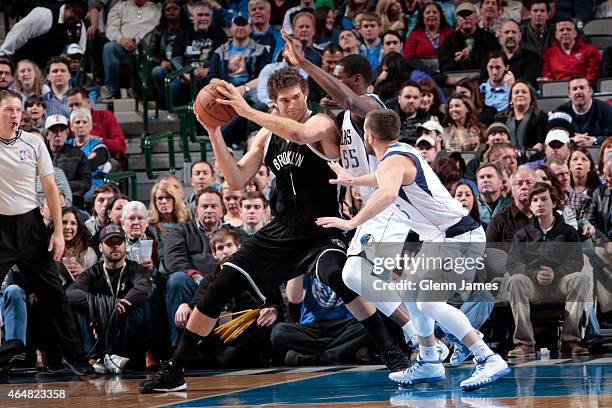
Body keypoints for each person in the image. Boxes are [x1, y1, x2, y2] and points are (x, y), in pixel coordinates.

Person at [139, 67, 409, 393]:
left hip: (321, 228)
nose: (293, 104)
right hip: (279, 231)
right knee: (218, 287)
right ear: (275, 103)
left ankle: (391, 350)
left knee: (339, 274)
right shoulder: (266, 137)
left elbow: (299, 134)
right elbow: (236, 179)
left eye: (297, 97)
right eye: (285, 100)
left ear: (305, 95)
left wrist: (245, 110)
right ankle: (175, 369)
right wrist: (214, 132)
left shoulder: (321, 122)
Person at [315, 109, 510, 390]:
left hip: (459, 237)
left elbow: (388, 192)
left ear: (368, 137)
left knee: (430, 302)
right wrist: (353, 180)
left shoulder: (393, 162)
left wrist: (352, 222)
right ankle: (429, 359)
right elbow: (384, 178)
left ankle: (487, 357)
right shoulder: (401, 152)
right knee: (409, 288)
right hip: (444, 237)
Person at [0, 90, 93, 376]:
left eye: (18, 109)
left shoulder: (34, 141)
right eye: (8, 109)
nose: (15, 114)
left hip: (31, 226)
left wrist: (58, 232)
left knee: (54, 293)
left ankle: (75, 357)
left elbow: (51, 188)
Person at [506, 182, 590, 357]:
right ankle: (525, 342)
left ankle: (570, 340)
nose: (539, 203)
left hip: (560, 284)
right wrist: (534, 274)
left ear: (553, 202)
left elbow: (576, 262)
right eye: (535, 200)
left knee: (580, 278)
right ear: (530, 205)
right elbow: (513, 264)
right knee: (515, 280)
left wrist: (556, 274)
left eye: (544, 199)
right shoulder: (522, 235)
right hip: (533, 286)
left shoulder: (568, 232)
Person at [66, 224, 152, 373]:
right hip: (98, 327)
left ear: (125, 245)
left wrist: (115, 308)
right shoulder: (92, 272)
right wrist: (105, 305)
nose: (115, 246)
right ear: (100, 247)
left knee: (142, 303)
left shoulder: (135, 269)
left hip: (124, 325)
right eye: (109, 243)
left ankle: (117, 355)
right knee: (79, 305)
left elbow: (143, 288)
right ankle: (97, 357)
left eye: (119, 242)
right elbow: (71, 293)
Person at [164, 187, 225, 346]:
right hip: (192, 284)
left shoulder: (231, 232)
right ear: (196, 209)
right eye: (205, 206)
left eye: (214, 206)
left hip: (223, 284)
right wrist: (197, 277)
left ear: (222, 209)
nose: (209, 210)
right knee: (177, 279)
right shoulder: (181, 230)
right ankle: (178, 348)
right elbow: (174, 260)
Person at [101, 0, 162, 99]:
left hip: (147, 49)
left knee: (151, 54)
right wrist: (121, 40)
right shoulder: (120, 7)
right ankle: (111, 89)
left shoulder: (157, 8)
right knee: (109, 47)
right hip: (124, 47)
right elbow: (111, 29)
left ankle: (140, 92)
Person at [0, 1, 86, 68]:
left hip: (47, 70)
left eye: (80, 17)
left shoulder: (78, 26)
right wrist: (3, 55)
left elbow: (80, 50)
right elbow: (18, 33)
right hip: (21, 64)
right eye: (75, 13)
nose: (77, 18)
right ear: (68, 6)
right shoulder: (45, 14)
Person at [66, 87, 127, 163]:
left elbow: (121, 146)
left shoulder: (106, 116)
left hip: (107, 162)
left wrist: (97, 140)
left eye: (77, 104)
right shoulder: (69, 124)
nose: (74, 108)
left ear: (89, 102)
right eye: (71, 106)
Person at [437, 2, 500, 74]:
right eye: (462, 15)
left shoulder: (490, 39)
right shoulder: (448, 41)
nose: (466, 17)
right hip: (457, 80)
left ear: (476, 17)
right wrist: (457, 60)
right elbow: (443, 67)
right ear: (457, 19)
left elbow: (497, 62)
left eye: (469, 14)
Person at [45, 114, 92, 208]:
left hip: (72, 202)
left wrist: (62, 187)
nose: (59, 134)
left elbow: (86, 183)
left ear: (66, 133)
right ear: (47, 134)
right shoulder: (39, 154)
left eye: (62, 130)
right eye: (54, 131)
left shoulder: (78, 154)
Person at [67, 108, 112, 200]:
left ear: (90, 126)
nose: (81, 125)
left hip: (93, 185)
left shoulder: (99, 147)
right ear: (71, 127)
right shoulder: (67, 144)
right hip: (70, 184)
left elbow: (89, 166)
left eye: (84, 122)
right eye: (77, 122)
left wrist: (72, 164)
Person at [555, 76, 612, 147]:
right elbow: (553, 138)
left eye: (582, 88)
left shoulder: (607, 110)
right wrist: (571, 141)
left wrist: (595, 140)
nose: (578, 91)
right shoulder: (560, 112)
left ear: (590, 91)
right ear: (569, 94)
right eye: (575, 89)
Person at [541, 19, 601, 85]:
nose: (565, 33)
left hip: (582, 88)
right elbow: (547, 76)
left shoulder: (590, 50)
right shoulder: (548, 53)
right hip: (557, 89)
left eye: (568, 29)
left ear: (575, 33)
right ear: (556, 35)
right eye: (561, 30)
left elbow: (592, 75)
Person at [486, 167, 536, 243]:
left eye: (529, 183)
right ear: (512, 189)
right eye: (519, 183)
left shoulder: (546, 216)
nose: (524, 187)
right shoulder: (499, 220)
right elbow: (489, 252)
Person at [495, 80, 547, 151]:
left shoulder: (540, 117)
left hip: (532, 158)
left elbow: (541, 142)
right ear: (511, 99)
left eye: (524, 92)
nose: (520, 94)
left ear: (531, 98)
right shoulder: (501, 119)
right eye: (516, 92)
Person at [58, 207, 98, 286]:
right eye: (64, 222)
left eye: (73, 223)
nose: (68, 227)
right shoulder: (48, 249)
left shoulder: (88, 252)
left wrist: (83, 273)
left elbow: (96, 283)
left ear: (78, 227)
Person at [496, 19, 541, 89]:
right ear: (500, 36)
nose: (510, 35)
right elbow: (484, 79)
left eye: (514, 32)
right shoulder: (492, 58)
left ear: (519, 36)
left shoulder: (532, 58)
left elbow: (528, 81)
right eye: (506, 32)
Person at [476, 163, 512, 228]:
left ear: (500, 182)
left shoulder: (512, 205)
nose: (485, 180)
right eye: (481, 177)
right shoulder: (472, 205)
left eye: (489, 176)